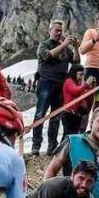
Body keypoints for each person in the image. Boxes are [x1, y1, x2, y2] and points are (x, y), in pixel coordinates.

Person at [31, 20, 78, 156]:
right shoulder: (44, 44)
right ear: (50, 30)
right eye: (56, 30)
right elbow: (47, 55)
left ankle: (52, 146)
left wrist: (75, 48)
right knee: (40, 114)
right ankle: (36, 145)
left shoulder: (65, 48)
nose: (59, 33)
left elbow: (75, 61)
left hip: (60, 85)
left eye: (61, 31)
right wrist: (64, 44)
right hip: (46, 82)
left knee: (56, 116)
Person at [60, 65, 92, 137]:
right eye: (80, 74)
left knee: (74, 135)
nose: (81, 77)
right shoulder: (68, 81)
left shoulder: (78, 84)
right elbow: (76, 91)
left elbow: (82, 94)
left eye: (82, 75)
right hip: (68, 113)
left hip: (76, 113)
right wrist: (86, 84)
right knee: (68, 135)